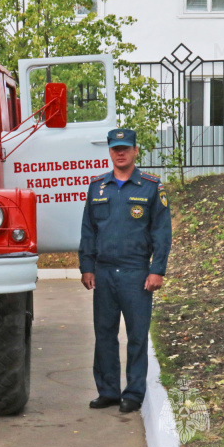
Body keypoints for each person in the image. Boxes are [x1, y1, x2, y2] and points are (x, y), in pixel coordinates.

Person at [79, 128, 172, 413]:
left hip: (136, 273)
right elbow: (88, 231)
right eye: (115, 148)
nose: (120, 152)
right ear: (109, 151)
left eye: (125, 147)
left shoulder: (151, 187)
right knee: (105, 334)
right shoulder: (97, 187)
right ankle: (107, 391)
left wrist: (157, 270)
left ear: (135, 151)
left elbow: (161, 232)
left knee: (136, 335)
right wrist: (87, 266)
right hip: (104, 273)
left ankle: (133, 393)